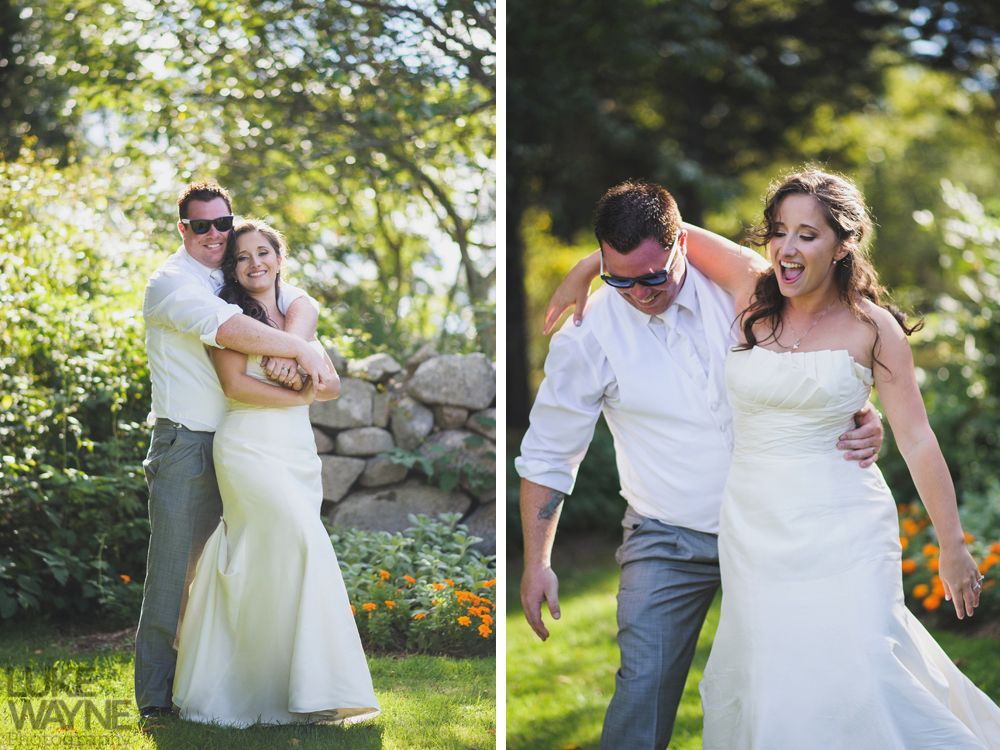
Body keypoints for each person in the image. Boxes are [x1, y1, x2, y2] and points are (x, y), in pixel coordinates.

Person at [551, 169, 1000, 748]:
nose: (787, 248)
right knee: (780, 683)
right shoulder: (753, 300)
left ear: (843, 245)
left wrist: (954, 545)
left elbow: (918, 440)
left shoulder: (875, 328)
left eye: (808, 235)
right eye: (778, 231)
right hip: (757, 533)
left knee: (864, 665)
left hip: (847, 525)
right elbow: (663, 229)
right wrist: (586, 267)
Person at [515, 180, 884, 749]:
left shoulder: (747, 291)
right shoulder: (586, 335)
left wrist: (859, 409)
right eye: (618, 278)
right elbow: (549, 453)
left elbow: (820, 351)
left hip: (776, 529)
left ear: (682, 245)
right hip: (668, 535)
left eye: (652, 277)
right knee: (644, 685)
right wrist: (536, 563)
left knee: (796, 682)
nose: (637, 293)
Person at [136, 181, 335, 718]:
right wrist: (299, 353)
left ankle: (249, 683)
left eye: (222, 223)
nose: (215, 234)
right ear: (183, 229)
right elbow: (224, 328)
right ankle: (158, 699)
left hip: (250, 440)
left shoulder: (236, 272)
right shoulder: (172, 282)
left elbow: (300, 299)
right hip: (187, 441)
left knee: (241, 567)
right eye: (201, 226)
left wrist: (298, 338)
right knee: (178, 574)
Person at [171, 219, 379, 726]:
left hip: (295, 451)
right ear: (233, 269)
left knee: (283, 559)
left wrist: (303, 366)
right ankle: (238, 691)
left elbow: (330, 384)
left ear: (279, 260)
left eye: (263, 253)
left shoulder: (296, 314)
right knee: (296, 543)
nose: (254, 262)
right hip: (246, 446)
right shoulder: (225, 318)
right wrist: (297, 391)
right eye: (242, 257)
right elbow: (236, 387)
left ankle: (300, 690)